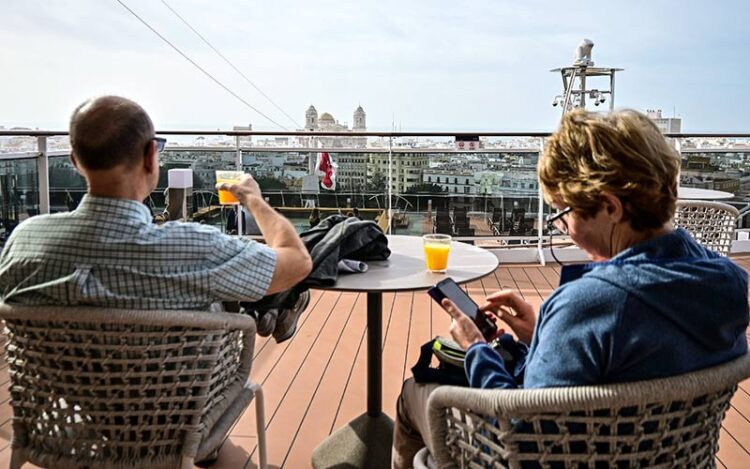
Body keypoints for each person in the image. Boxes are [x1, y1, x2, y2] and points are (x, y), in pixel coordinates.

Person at [391, 109, 749, 468]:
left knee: (413, 394)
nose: (564, 228)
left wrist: (478, 349)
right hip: (667, 456)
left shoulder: (589, 303)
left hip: (563, 456)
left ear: (611, 207)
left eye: (565, 213)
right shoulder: (727, 284)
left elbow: (520, 436)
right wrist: (543, 334)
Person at [0, 96, 313, 342]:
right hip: (182, 405)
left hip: (62, 410)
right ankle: (273, 304)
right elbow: (297, 262)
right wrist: (254, 200)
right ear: (151, 156)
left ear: (75, 162)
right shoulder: (193, 246)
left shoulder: (24, 241)